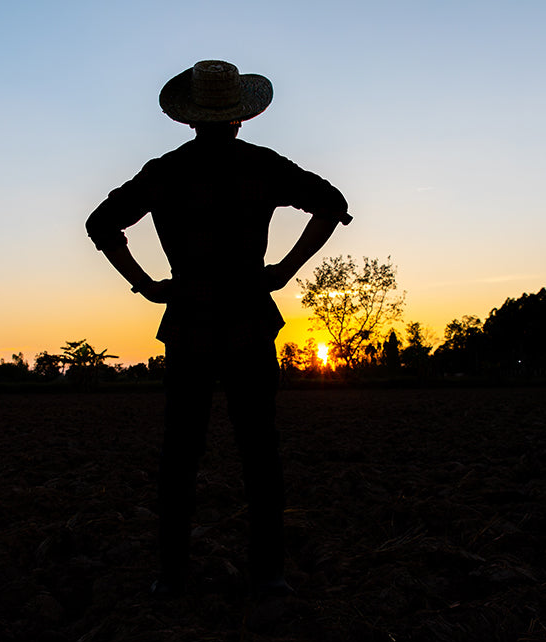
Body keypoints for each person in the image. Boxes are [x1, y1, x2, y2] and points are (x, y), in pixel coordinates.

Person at [86, 60, 350, 598]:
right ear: (239, 117)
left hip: (188, 324)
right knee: (260, 450)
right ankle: (270, 577)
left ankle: (173, 578)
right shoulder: (262, 165)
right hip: (250, 319)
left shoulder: (164, 172)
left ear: (190, 120)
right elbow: (331, 205)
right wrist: (284, 271)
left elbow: (101, 223)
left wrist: (147, 284)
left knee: (180, 453)